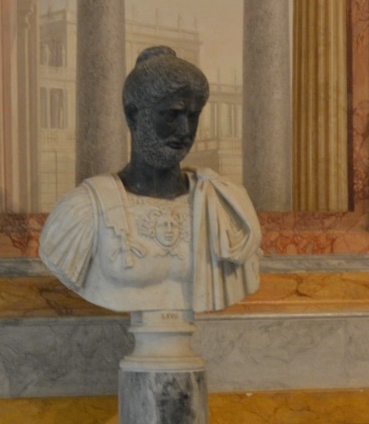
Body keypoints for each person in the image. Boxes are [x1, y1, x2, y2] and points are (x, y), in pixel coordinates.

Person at [39, 46, 260, 314]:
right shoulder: (83, 210)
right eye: (171, 115)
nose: (184, 131)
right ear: (133, 115)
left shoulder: (225, 205)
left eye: (192, 116)